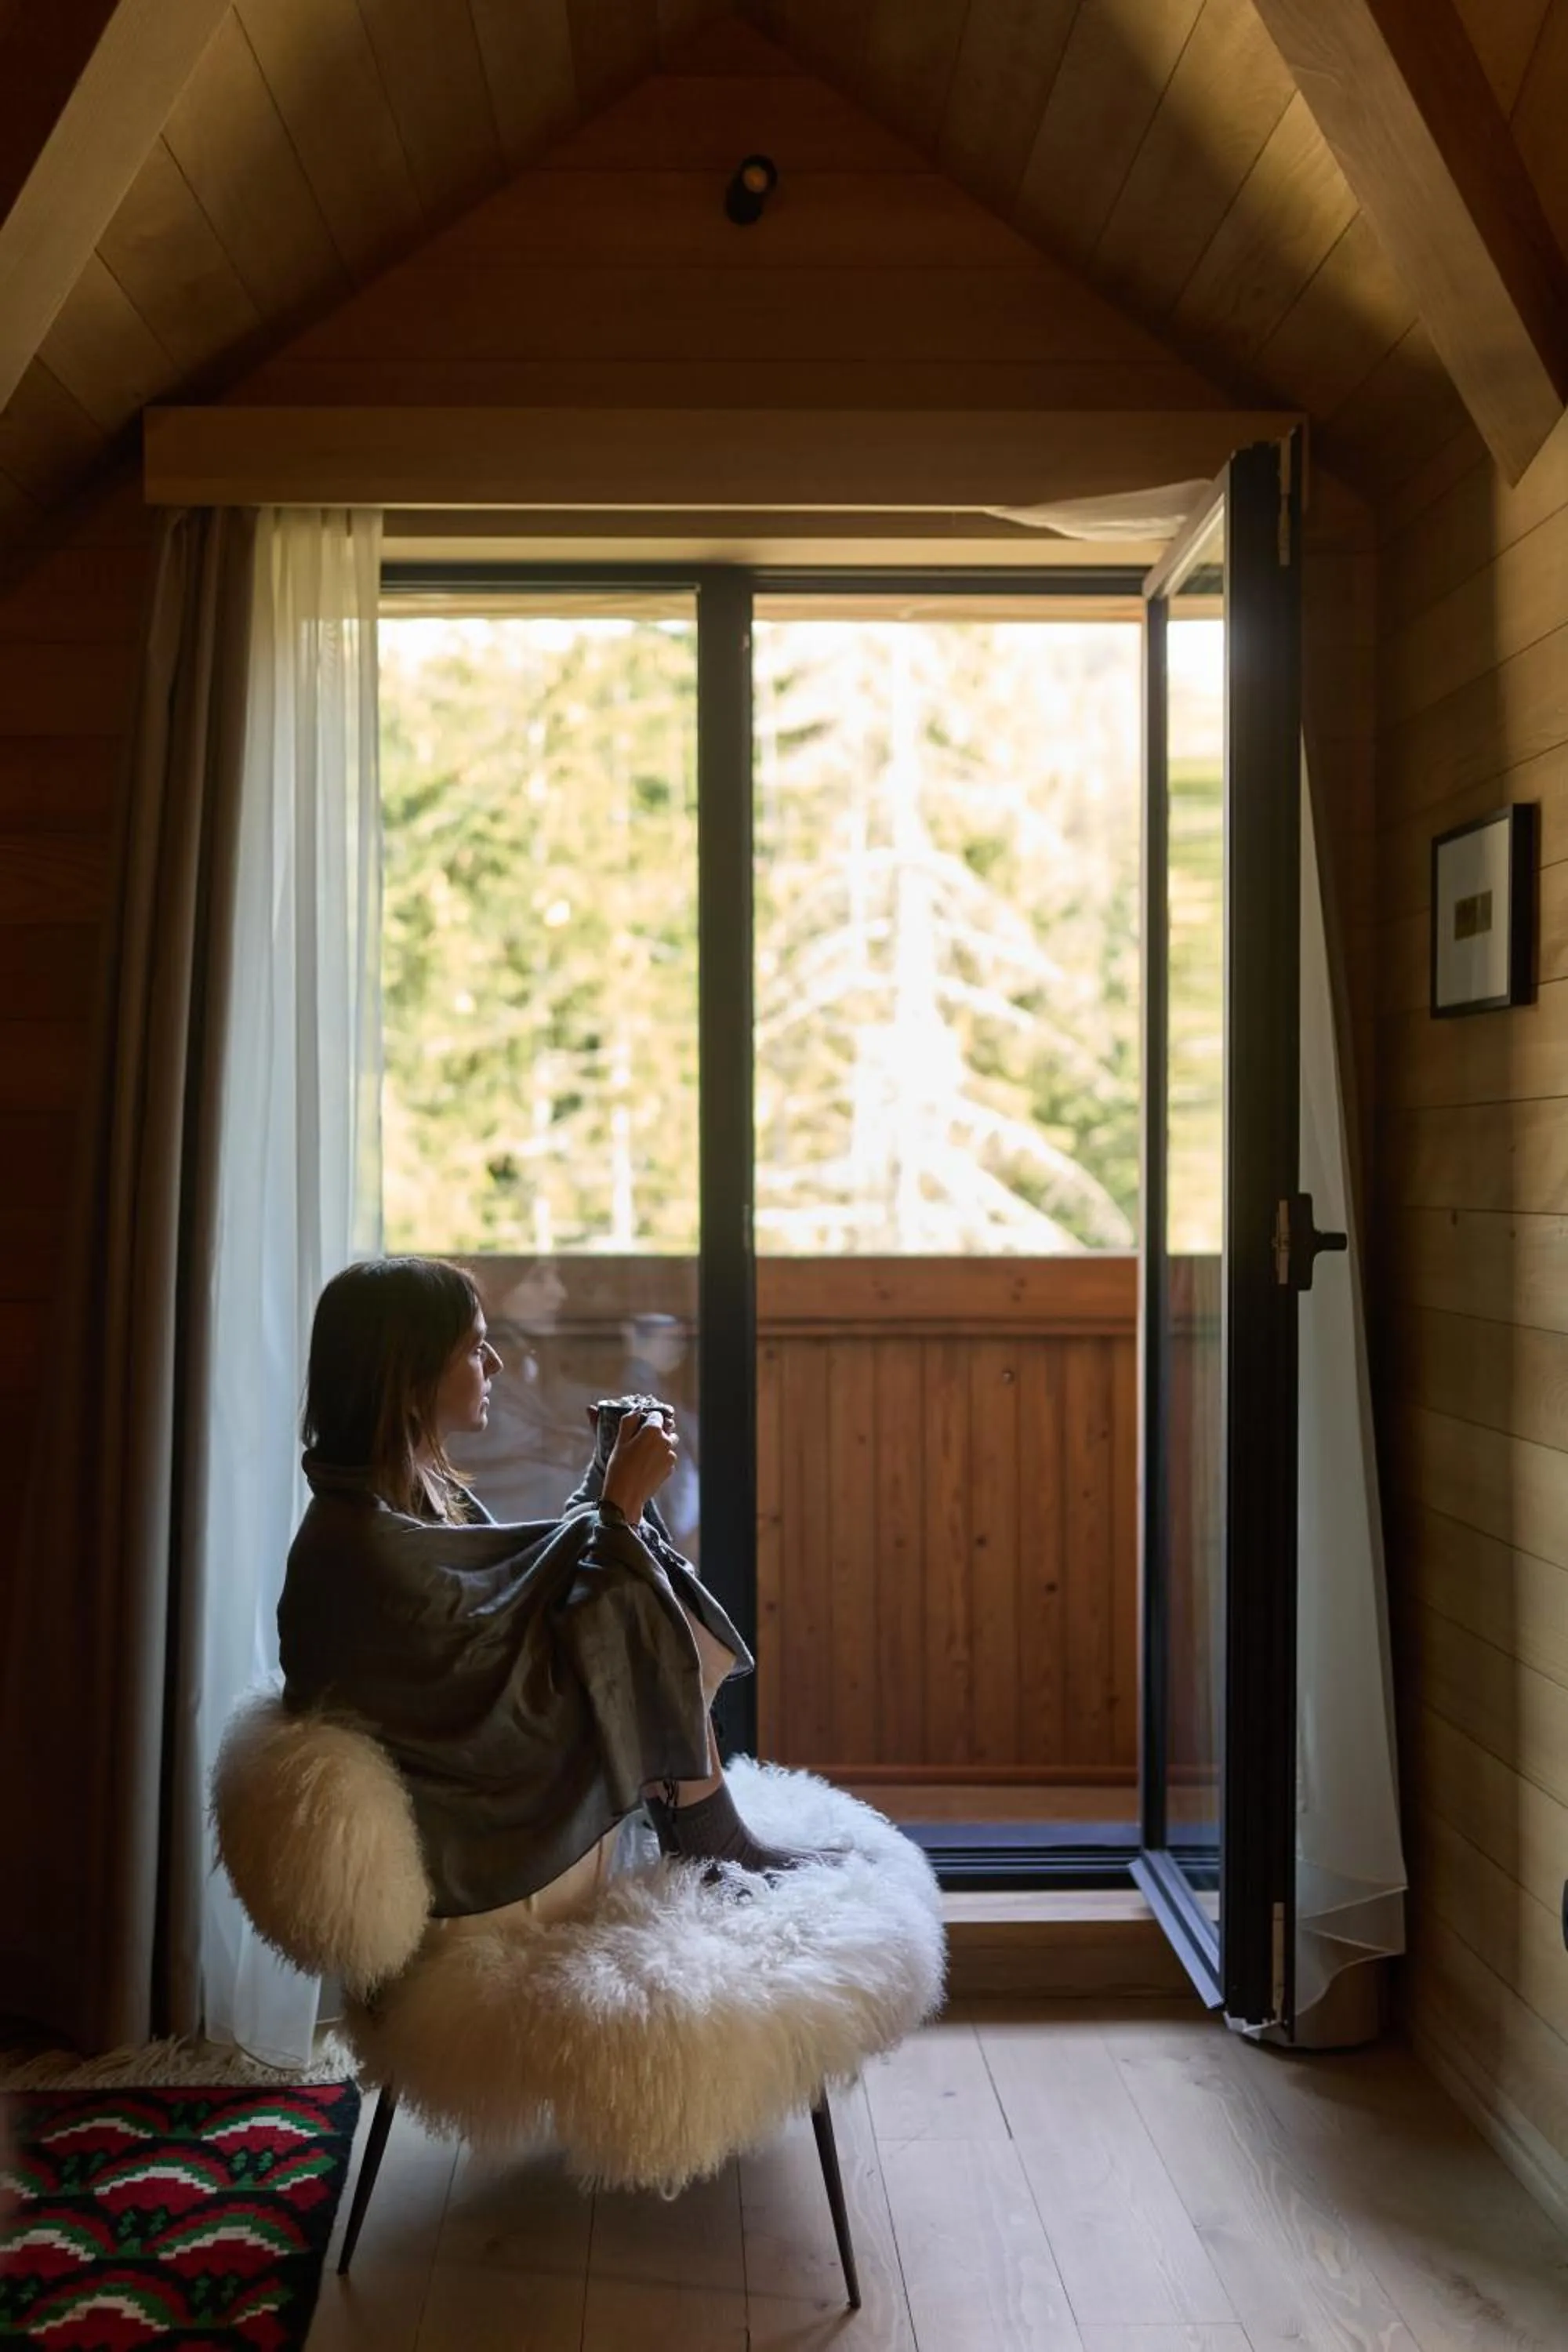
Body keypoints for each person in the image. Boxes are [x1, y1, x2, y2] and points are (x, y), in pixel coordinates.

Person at [278, 1257, 821, 1923]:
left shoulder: (402, 1500)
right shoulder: (365, 1544)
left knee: (626, 1573)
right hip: (467, 1812)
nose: (496, 1366)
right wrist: (615, 1507)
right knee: (626, 1595)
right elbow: (513, 1651)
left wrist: (604, 1481)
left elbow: (520, 1596)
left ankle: (710, 1832)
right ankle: (710, 1837)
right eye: (475, 1349)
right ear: (410, 1374)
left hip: (471, 1760)